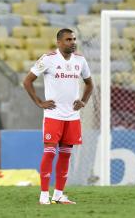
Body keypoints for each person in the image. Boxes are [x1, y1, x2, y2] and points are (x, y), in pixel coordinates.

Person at [23, 28, 93, 205]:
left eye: (74, 39)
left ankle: (59, 194)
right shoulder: (48, 59)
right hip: (53, 115)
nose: (72, 42)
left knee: (66, 155)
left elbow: (89, 84)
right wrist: (39, 102)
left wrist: (83, 101)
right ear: (59, 42)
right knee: (49, 153)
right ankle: (44, 195)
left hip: (72, 116)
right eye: (68, 39)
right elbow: (27, 81)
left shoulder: (80, 60)